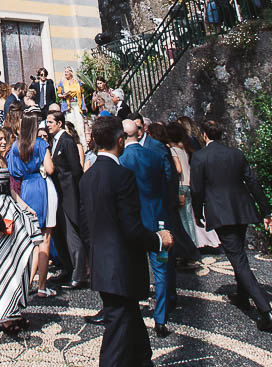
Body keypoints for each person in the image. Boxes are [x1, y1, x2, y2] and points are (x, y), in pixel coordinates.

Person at [80, 115, 172, 367]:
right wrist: (159, 240)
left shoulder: (87, 177)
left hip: (103, 265)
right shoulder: (122, 176)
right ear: (120, 141)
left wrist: (95, 255)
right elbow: (131, 229)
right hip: (121, 267)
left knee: (131, 322)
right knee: (116, 338)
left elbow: (85, 227)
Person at [190, 119, 272, 332]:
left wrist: (197, 212)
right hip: (242, 209)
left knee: (238, 259)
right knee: (239, 253)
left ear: (204, 135)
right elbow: (252, 182)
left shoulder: (200, 157)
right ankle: (241, 294)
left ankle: (265, 311)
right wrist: (266, 211)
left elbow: (196, 189)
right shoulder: (235, 154)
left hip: (221, 212)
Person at [0, 127, 37, 334]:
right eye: (0, 139)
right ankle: (2, 316)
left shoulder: (2, 160)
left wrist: (26, 207)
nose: (4, 142)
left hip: (9, 208)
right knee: (1, 264)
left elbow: (10, 189)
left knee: (15, 260)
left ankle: (12, 310)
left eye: (5, 139)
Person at [121, 119, 176, 337]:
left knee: (131, 267)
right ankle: (161, 318)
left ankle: (132, 311)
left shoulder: (122, 160)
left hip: (135, 221)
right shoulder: (155, 154)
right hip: (158, 219)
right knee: (161, 268)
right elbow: (169, 179)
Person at [7, 108, 56, 297]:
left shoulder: (15, 147)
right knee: (44, 237)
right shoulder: (41, 144)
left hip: (25, 187)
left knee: (27, 238)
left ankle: (23, 282)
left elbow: (13, 172)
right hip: (40, 184)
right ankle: (41, 285)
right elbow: (50, 169)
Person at [45, 111, 88, 289]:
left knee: (72, 235)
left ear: (60, 124)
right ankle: (68, 269)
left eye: (50, 122)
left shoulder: (67, 141)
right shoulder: (53, 142)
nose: (47, 125)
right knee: (61, 234)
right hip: (59, 195)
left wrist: (75, 192)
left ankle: (79, 274)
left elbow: (76, 170)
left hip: (68, 194)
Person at [163, 122, 211, 268]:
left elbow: (177, 169)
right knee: (189, 219)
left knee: (182, 220)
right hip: (189, 184)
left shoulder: (172, 150)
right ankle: (193, 247)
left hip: (181, 186)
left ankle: (188, 251)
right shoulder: (182, 148)